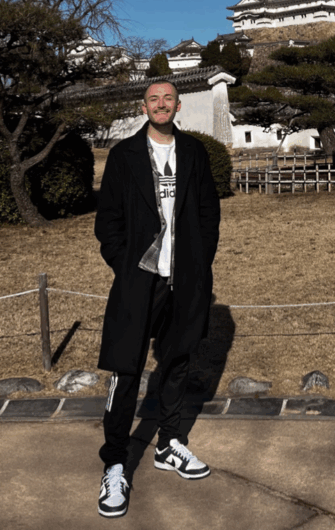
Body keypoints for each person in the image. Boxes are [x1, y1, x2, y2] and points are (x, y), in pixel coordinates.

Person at [94, 80, 221, 518]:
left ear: (178, 105)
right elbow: (107, 221)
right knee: (125, 370)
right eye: (154, 99)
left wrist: (199, 261)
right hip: (138, 279)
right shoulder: (124, 157)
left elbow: (209, 213)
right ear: (143, 106)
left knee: (177, 361)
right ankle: (114, 462)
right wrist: (125, 264)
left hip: (183, 279)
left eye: (168, 98)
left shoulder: (195, 153)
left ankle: (169, 444)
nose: (161, 105)